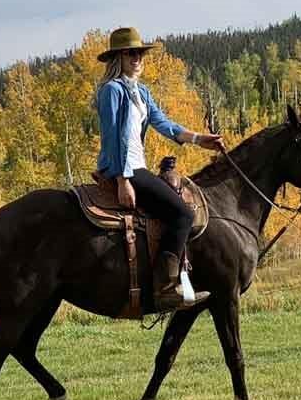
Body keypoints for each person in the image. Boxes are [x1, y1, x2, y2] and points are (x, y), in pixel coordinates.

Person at [93, 26, 225, 311]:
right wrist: (122, 179)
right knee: (182, 213)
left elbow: (164, 124)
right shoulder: (111, 91)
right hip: (125, 169)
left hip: (137, 167)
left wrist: (199, 139)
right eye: (131, 53)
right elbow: (113, 136)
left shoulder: (141, 92)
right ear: (118, 57)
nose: (138, 58)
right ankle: (165, 287)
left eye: (140, 53)